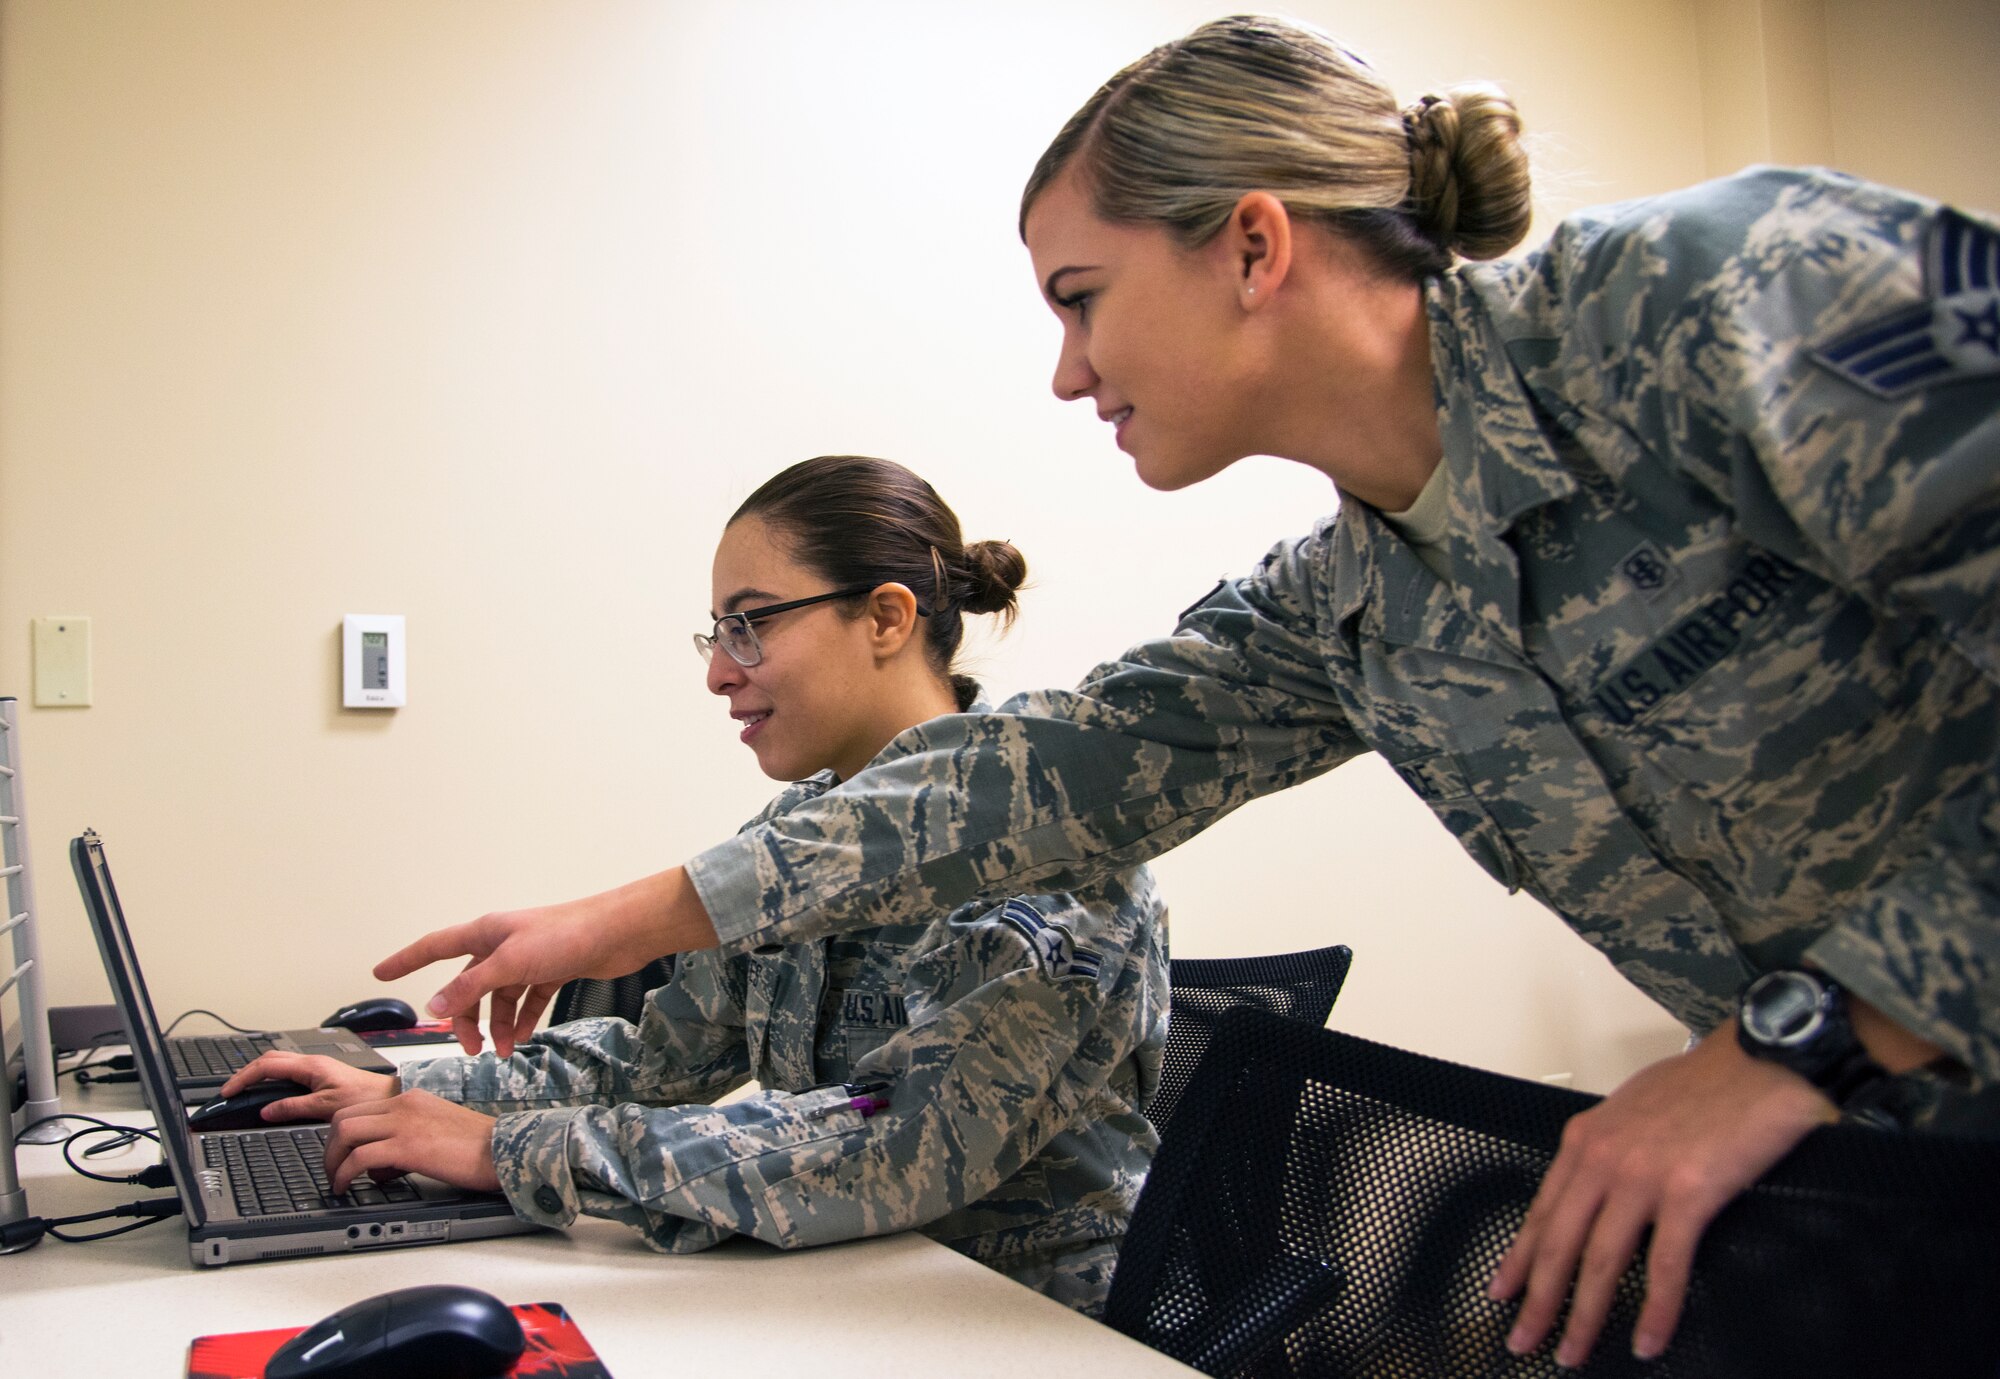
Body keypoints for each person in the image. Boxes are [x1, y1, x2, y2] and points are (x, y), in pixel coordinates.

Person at [378, 14, 2000, 1367]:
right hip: (1909, 1184)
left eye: (1080, 297)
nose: (1067, 371)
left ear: (1251, 242)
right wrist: (637, 913)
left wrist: (1801, 1036)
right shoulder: (1353, 602)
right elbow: (1050, 768)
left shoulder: (1707, 298)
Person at [225, 455, 1169, 1314]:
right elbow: (662, 1057)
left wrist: (501, 1150)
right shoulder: (795, 839)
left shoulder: (1050, 862)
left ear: (885, 618)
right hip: (842, 1287)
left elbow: (897, 1149)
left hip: (1010, 1325)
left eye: (751, 627)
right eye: (718, 632)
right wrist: (403, 1089)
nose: (720, 671)